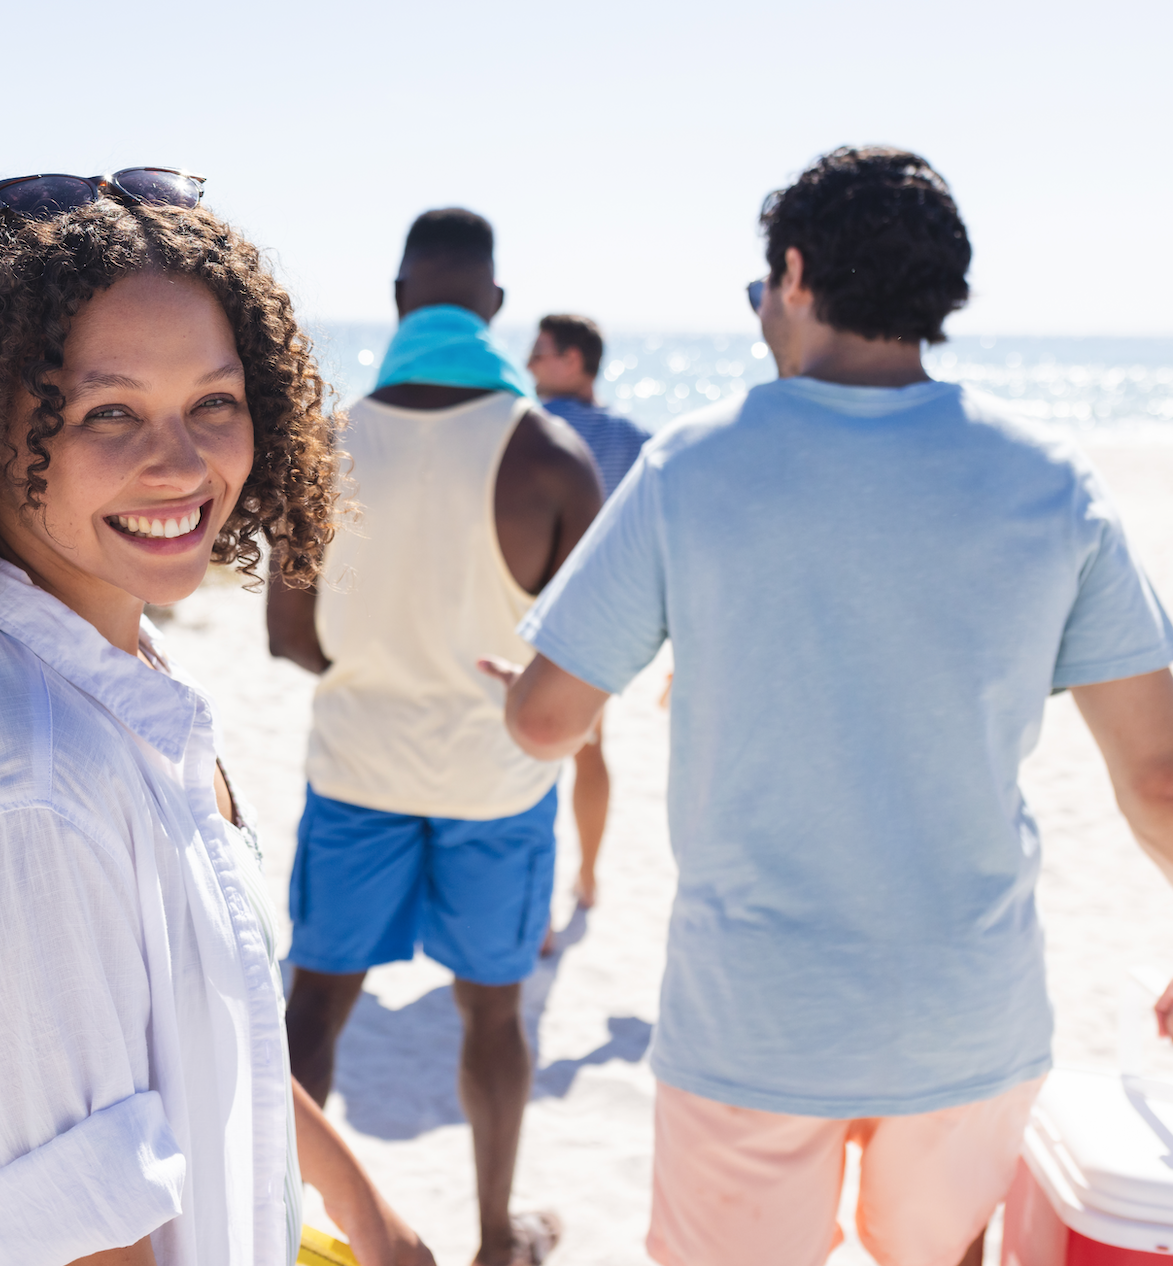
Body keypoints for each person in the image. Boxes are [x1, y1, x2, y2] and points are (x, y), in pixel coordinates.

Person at [492, 146, 1173, 1266]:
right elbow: (1154, 779)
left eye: (761, 283)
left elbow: (544, 724)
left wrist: (528, 687)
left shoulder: (693, 465)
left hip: (755, 1015)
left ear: (795, 274)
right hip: (968, 1009)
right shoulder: (1052, 480)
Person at [0, 173, 434, 1266]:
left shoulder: (101, 672)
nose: (178, 463)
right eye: (106, 412)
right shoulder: (21, 790)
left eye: (212, 404)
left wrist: (363, 1214)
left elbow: (192, 1025)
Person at [267, 208, 602, 1266]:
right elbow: (583, 661)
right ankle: (494, 1237)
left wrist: (381, 666)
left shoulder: (325, 443)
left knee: (313, 1009)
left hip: (357, 764)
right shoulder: (548, 453)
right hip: (494, 780)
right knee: (492, 1020)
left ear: (400, 298)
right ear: (492, 308)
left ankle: (270, 1223)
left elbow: (287, 638)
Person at [526, 314, 651, 919]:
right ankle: (589, 876)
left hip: (523, 615)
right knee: (589, 751)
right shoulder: (638, 440)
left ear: (573, 361)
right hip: (601, 626)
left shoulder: (529, 430)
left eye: (541, 354)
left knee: (526, 756)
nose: (529, 364)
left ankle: (542, 907)